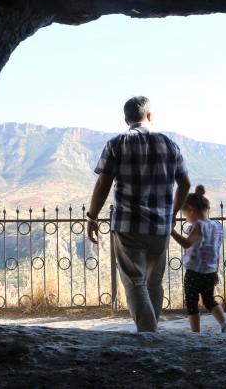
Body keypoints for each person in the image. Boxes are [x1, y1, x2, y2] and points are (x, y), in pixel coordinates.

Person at [86, 96, 190, 332]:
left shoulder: (116, 144)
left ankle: (149, 337)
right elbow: (185, 183)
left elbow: (103, 183)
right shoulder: (170, 145)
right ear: (150, 116)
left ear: (126, 119)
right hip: (160, 227)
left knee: (135, 282)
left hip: (128, 226)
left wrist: (92, 217)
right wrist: (172, 214)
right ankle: (152, 332)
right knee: (154, 282)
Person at [171, 185, 226, 333]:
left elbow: (187, 243)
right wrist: (215, 272)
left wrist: (171, 231)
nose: (186, 218)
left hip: (194, 271)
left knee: (192, 303)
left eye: (185, 214)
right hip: (210, 271)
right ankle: (224, 325)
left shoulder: (198, 226)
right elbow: (215, 251)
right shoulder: (216, 226)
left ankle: (196, 334)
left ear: (191, 209)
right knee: (209, 300)